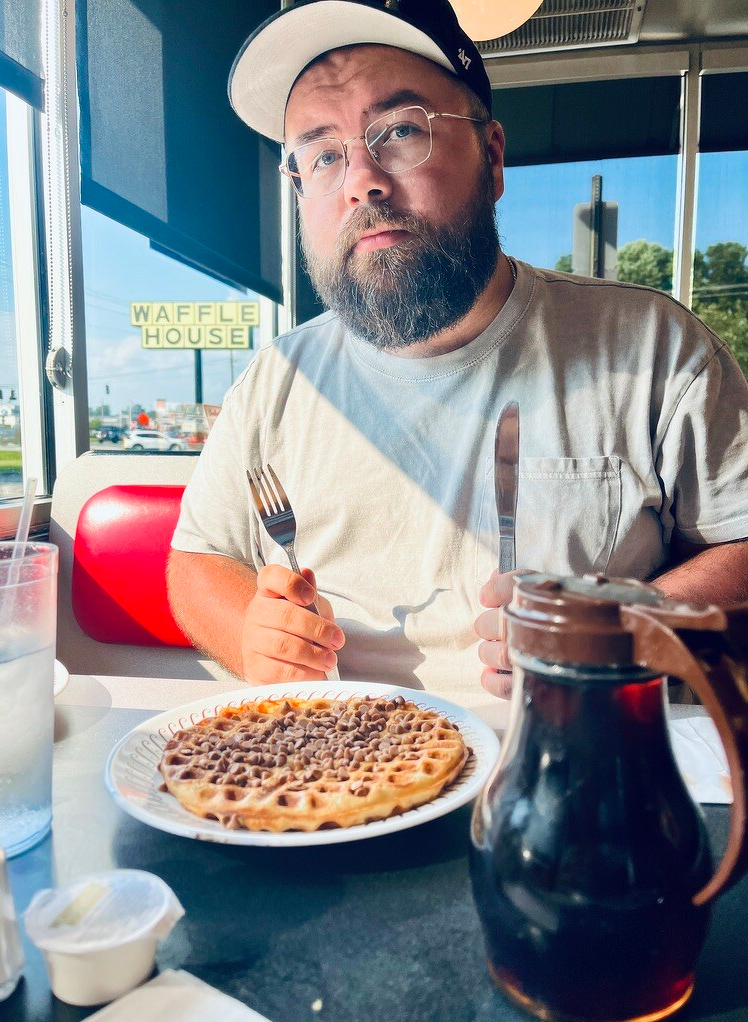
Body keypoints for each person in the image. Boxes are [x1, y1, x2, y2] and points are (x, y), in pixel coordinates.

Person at [167, 0, 748, 703]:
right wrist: (249, 634)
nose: (361, 181)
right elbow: (197, 560)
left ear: (493, 157)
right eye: (321, 155)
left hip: (577, 753)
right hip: (331, 775)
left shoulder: (655, 350)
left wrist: (624, 627)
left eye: (401, 131)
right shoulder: (277, 380)